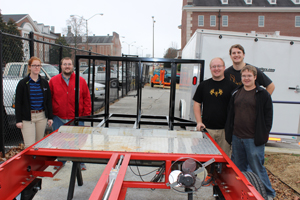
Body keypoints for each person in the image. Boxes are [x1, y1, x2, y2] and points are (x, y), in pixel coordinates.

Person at [225, 65, 275, 200]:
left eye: (249, 76)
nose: (246, 78)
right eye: (244, 76)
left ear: (255, 77)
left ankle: (269, 193)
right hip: (237, 137)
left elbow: (268, 116)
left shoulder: (262, 94)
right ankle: (243, 192)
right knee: (238, 168)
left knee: (257, 167)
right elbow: (231, 113)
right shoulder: (236, 92)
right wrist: (229, 133)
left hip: (253, 138)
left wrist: (264, 134)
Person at [49, 57, 91, 170]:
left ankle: (80, 162)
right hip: (59, 116)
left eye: (69, 64)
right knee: (59, 140)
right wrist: (50, 115)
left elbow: (86, 98)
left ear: (72, 66)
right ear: (61, 66)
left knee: (79, 140)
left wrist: (85, 114)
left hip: (76, 117)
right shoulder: (53, 81)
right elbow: (49, 99)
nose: (67, 66)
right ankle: (61, 162)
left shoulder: (80, 81)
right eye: (65, 64)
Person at [193, 57, 236, 156]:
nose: (216, 69)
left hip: (225, 132)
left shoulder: (232, 87)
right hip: (207, 130)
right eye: (214, 66)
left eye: (219, 66)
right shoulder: (203, 85)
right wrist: (199, 122)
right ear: (210, 68)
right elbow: (197, 104)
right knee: (206, 157)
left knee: (224, 159)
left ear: (224, 67)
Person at [15, 56, 53, 148]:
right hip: (28, 117)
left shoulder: (44, 83)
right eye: (34, 65)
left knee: (39, 144)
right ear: (29, 67)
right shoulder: (23, 83)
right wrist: (18, 120)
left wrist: (50, 117)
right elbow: (18, 103)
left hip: (41, 116)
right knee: (29, 145)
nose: (36, 68)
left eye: (38, 66)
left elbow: (48, 101)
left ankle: (36, 163)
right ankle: (30, 162)